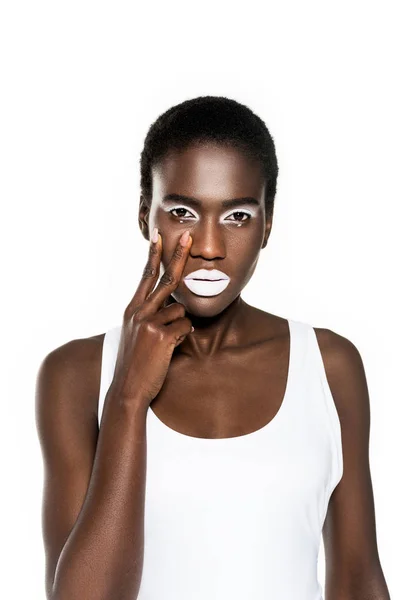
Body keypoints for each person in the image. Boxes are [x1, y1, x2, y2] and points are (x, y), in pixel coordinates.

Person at [35, 96, 391, 600]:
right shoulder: (75, 375)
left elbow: (358, 578)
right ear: (145, 218)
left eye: (238, 216)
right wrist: (129, 395)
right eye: (182, 211)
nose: (208, 246)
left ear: (268, 225)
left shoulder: (328, 366)